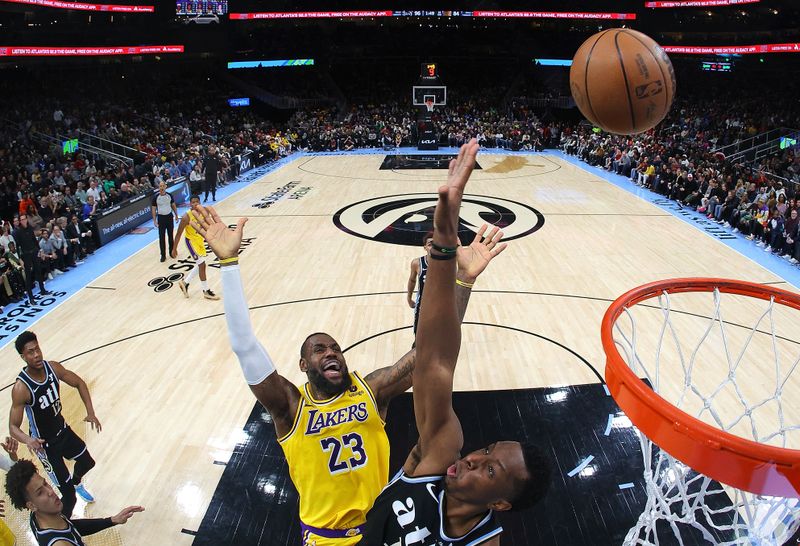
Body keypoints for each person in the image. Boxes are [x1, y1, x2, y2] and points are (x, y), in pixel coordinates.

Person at [188, 198, 504, 545]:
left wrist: (463, 283)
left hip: (384, 530)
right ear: (303, 365)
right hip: (326, 538)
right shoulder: (290, 407)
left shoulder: (371, 390)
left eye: (335, 347)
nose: (331, 352)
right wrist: (229, 264)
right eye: (319, 350)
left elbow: (432, 353)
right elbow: (245, 346)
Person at [360, 140, 551, 545]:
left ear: (500, 505)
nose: (473, 459)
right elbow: (434, 362)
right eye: (487, 451)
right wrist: (446, 247)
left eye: (490, 470)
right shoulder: (440, 452)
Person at [9, 331, 101, 518]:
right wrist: (28, 440)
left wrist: (90, 412)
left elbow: (80, 383)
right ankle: (64, 528)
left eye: (37, 349)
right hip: (45, 446)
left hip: (63, 431)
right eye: (30, 352)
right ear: (23, 356)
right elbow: (12, 427)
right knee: (69, 498)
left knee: (87, 462)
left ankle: (75, 483)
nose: (36, 355)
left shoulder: (53, 368)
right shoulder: (21, 388)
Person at [5, 459, 143, 546]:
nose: (50, 492)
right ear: (31, 505)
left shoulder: (38, 516)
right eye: (40, 492)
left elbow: (71, 527)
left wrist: (112, 520)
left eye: (46, 484)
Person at [172, 195, 219, 300]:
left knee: (200, 265)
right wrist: (174, 248)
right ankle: (206, 290)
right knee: (202, 265)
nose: (195, 204)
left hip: (199, 241)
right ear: (190, 204)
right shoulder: (186, 217)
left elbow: (208, 227)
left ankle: (185, 283)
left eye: (197, 202)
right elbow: (178, 234)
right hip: (191, 242)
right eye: (193, 202)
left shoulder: (203, 213)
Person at [12, 214, 48, 306]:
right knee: (28, 277)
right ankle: (31, 298)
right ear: (20, 221)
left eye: (25, 219)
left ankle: (42, 290)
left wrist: (39, 250)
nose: (24, 221)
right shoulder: (18, 232)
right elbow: (18, 247)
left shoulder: (29, 228)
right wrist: (20, 259)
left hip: (34, 252)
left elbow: (34, 240)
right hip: (26, 255)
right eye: (22, 220)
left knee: (38, 271)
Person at [406, 231, 433, 338]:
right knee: (419, 338)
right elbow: (412, 280)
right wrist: (409, 298)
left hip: (441, 307)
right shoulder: (417, 263)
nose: (433, 247)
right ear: (425, 247)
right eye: (430, 244)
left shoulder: (447, 264)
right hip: (422, 307)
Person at [151, 181, 179, 263]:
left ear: (165, 187)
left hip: (169, 217)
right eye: (160, 186)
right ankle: (163, 255)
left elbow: (173, 205)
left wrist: (176, 215)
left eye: (163, 186)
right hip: (161, 218)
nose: (162, 187)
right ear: (158, 187)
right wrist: (155, 221)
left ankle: (171, 252)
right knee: (161, 237)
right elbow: (153, 209)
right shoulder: (155, 197)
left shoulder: (169, 196)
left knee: (170, 236)